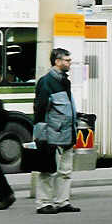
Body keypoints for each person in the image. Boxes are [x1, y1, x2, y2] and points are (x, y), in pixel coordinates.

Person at [33, 48, 81, 214]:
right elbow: (40, 111)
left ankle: (62, 201)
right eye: (67, 60)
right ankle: (44, 203)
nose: (70, 63)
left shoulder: (63, 81)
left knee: (65, 171)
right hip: (53, 135)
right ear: (57, 61)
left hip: (67, 133)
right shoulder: (46, 82)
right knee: (48, 171)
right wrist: (41, 136)